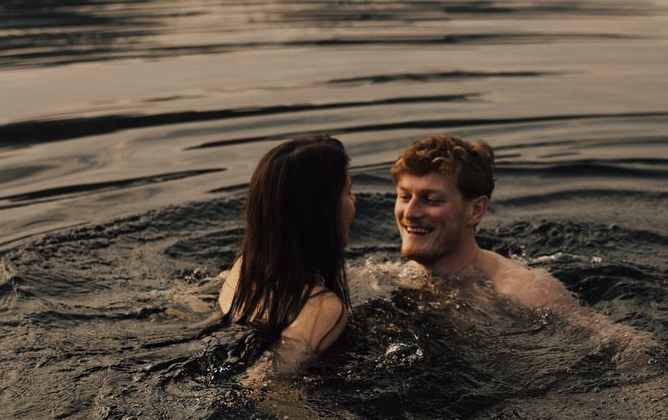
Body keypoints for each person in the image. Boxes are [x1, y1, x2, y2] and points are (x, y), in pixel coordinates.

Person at [218, 134, 355, 374]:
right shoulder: (321, 307)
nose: (354, 202)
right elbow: (263, 386)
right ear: (323, 213)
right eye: (349, 192)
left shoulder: (243, 268)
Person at [391, 134, 574, 310]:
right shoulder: (387, 277)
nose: (410, 212)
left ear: (476, 210)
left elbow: (599, 336)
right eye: (404, 197)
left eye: (432, 199)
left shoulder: (526, 292)